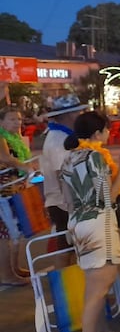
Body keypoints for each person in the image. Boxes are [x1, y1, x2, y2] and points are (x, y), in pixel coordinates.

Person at [60, 111, 120, 332]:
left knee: (94, 285)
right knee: (99, 286)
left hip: (78, 223)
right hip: (98, 224)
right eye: (106, 129)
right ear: (97, 133)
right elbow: (107, 198)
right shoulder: (94, 157)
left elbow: (68, 200)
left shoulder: (69, 157)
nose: (109, 133)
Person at [40, 95, 88, 264]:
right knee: (66, 247)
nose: (81, 114)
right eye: (78, 111)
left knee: (71, 246)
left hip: (65, 201)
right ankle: (62, 284)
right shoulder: (57, 139)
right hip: (62, 202)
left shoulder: (63, 136)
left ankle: (70, 282)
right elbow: (63, 174)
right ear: (69, 115)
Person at [0, 106, 34, 286]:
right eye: (12, 119)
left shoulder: (14, 137)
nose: (17, 122)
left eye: (19, 119)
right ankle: (7, 274)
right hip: (3, 191)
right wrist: (24, 167)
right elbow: (5, 158)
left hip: (12, 188)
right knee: (6, 232)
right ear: (1, 122)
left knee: (14, 230)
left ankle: (13, 268)